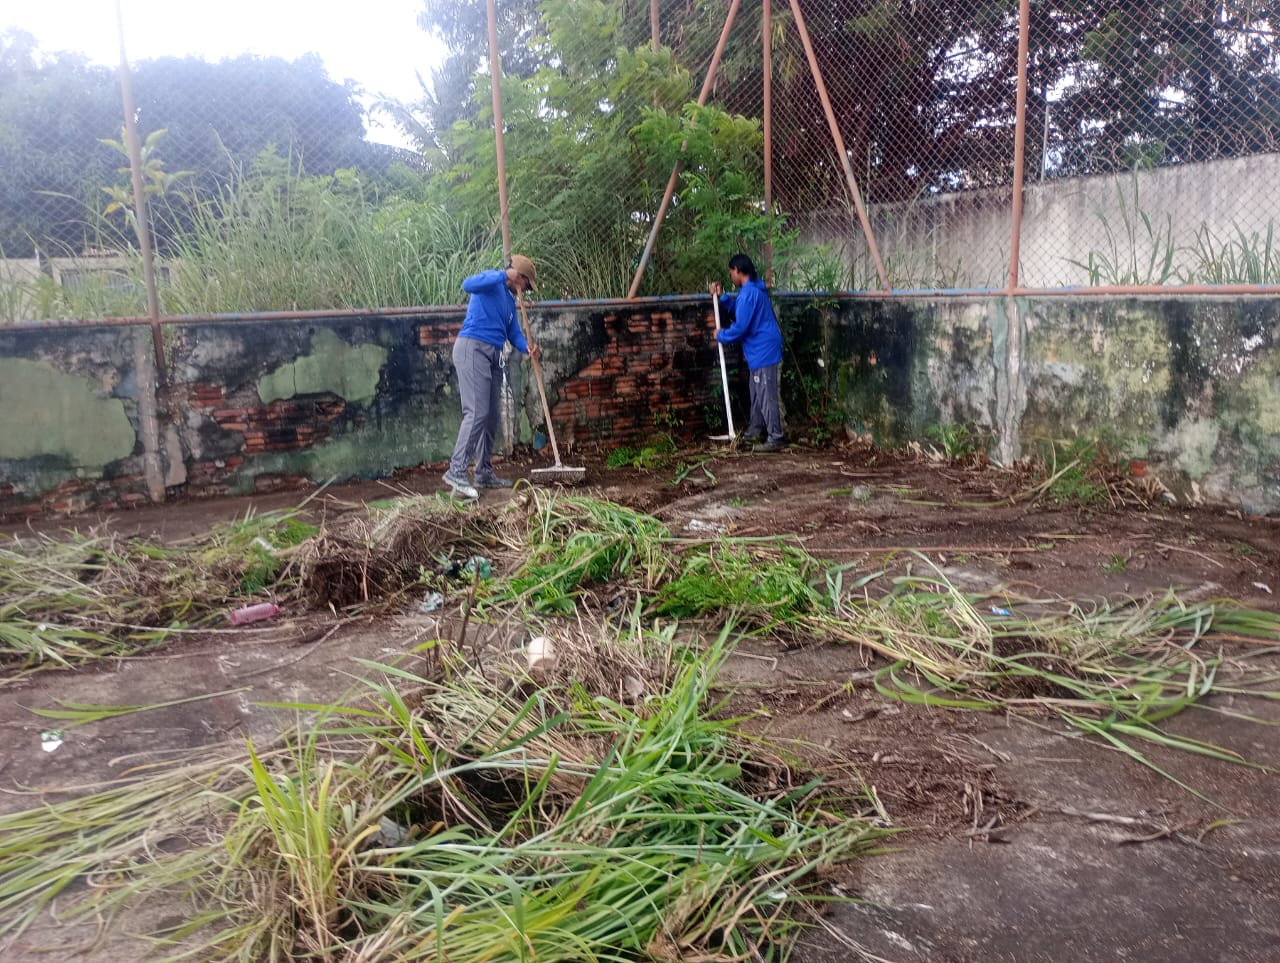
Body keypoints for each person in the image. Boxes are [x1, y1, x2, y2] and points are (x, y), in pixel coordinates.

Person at [443, 254, 540, 498]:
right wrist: (502, 274)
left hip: (494, 356)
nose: (526, 290)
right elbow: (467, 284)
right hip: (473, 348)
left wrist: (526, 346)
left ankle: (483, 472)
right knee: (476, 411)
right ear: (518, 276)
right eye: (526, 284)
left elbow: (513, 333)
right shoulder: (491, 282)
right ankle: (456, 470)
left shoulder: (510, 301)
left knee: (491, 416)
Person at [709, 253, 785, 452]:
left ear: (738, 271)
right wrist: (723, 297)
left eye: (731, 273)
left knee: (765, 395)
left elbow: (741, 327)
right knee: (757, 392)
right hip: (760, 350)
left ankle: (775, 437)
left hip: (763, 350)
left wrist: (721, 335)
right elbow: (741, 310)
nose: (731, 277)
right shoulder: (751, 290)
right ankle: (754, 431)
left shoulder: (749, 293)